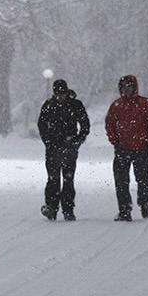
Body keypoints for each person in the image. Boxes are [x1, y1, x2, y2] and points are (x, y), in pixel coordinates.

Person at [104, 73, 148, 220]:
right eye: (124, 88)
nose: (126, 90)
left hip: (140, 147)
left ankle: (143, 202)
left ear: (134, 88)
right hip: (123, 147)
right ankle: (125, 209)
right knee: (122, 181)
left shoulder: (144, 103)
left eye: (129, 87)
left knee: (142, 179)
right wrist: (115, 140)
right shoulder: (117, 106)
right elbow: (109, 123)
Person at [37, 78, 90, 220]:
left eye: (62, 94)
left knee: (67, 180)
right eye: (57, 94)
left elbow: (85, 125)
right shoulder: (50, 106)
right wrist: (48, 142)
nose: (60, 97)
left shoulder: (74, 105)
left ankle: (67, 209)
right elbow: (42, 125)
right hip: (54, 148)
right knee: (54, 179)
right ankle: (52, 207)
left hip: (68, 147)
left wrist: (77, 141)